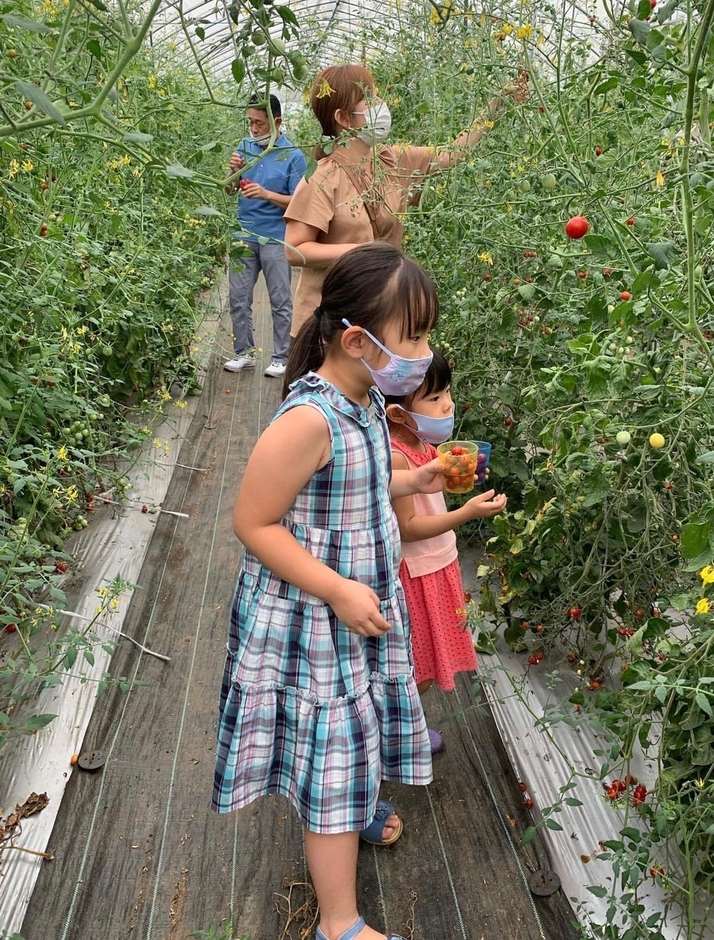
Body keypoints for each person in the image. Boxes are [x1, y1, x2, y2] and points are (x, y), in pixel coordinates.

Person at [212, 242, 446, 940]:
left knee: (352, 736)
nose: (426, 352)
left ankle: (357, 796)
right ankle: (339, 925)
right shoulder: (307, 420)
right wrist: (338, 588)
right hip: (314, 619)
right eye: (416, 337)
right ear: (356, 340)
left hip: (354, 609)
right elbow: (253, 523)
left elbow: (357, 488)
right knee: (332, 766)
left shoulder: (367, 399)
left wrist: (413, 481)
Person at [284, 63, 528, 336]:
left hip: (376, 315)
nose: (380, 105)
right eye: (369, 98)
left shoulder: (392, 161)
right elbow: (294, 249)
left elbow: (452, 154)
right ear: (343, 117)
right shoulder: (321, 178)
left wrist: (495, 106)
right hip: (327, 327)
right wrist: (362, 252)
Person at [385, 352, 507, 752]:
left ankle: (402, 725)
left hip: (437, 565)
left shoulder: (422, 442)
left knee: (423, 661)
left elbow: (431, 492)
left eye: (448, 393)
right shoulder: (397, 455)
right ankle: (394, 735)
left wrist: (460, 478)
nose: (448, 405)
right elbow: (408, 528)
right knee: (414, 665)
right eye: (435, 398)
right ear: (399, 413)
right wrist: (465, 514)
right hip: (416, 572)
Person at [224, 92, 307, 375]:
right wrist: (233, 173)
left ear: (278, 122)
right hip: (243, 232)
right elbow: (228, 189)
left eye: (259, 123)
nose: (254, 129)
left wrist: (267, 194)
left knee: (280, 299)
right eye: (250, 122)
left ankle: (281, 358)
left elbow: (299, 201)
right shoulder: (244, 146)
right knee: (238, 296)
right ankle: (243, 352)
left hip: (276, 236)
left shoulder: (293, 155)